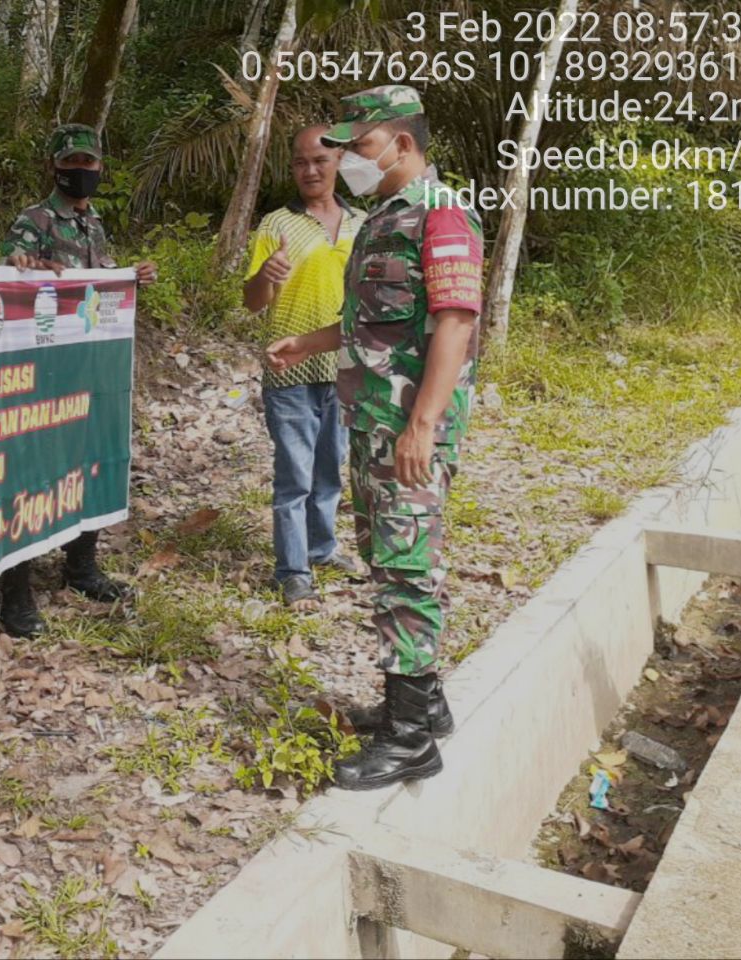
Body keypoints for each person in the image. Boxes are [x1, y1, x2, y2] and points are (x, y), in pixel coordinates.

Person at [267, 86, 484, 790]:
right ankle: (424, 705)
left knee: (405, 569)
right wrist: (307, 342)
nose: (347, 160)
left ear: (402, 144)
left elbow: (454, 320)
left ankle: (410, 738)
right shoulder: (382, 220)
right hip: (372, 425)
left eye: (359, 147)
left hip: (406, 430)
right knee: (388, 561)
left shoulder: (440, 216)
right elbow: (373, 322)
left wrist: (422, 425)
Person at [0, 122, 156, 638]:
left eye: (89, 163)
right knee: (28, 474)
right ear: (54, 166)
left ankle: (80, 567)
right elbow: (10, 273)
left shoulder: (95, 225)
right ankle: (13, 593)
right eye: (72, 163)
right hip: (42, 374)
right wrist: (18, 265)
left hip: (89, 371)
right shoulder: (34, 219)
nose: (80, 172)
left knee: (89, 460)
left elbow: (97, 287)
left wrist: (130, 276)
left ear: (99, 167)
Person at [244, 124, 368, 610]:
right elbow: (253, 303)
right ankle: (292, 570)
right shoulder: (277, 224)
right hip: (289, 369)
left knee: (330, 468)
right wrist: (265, 276)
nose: (310, 170)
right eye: (299, 162)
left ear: (339, 161)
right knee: (294, 474)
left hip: (345, 367)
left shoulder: (363, 222)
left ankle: (322, 548)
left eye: (320, 160)